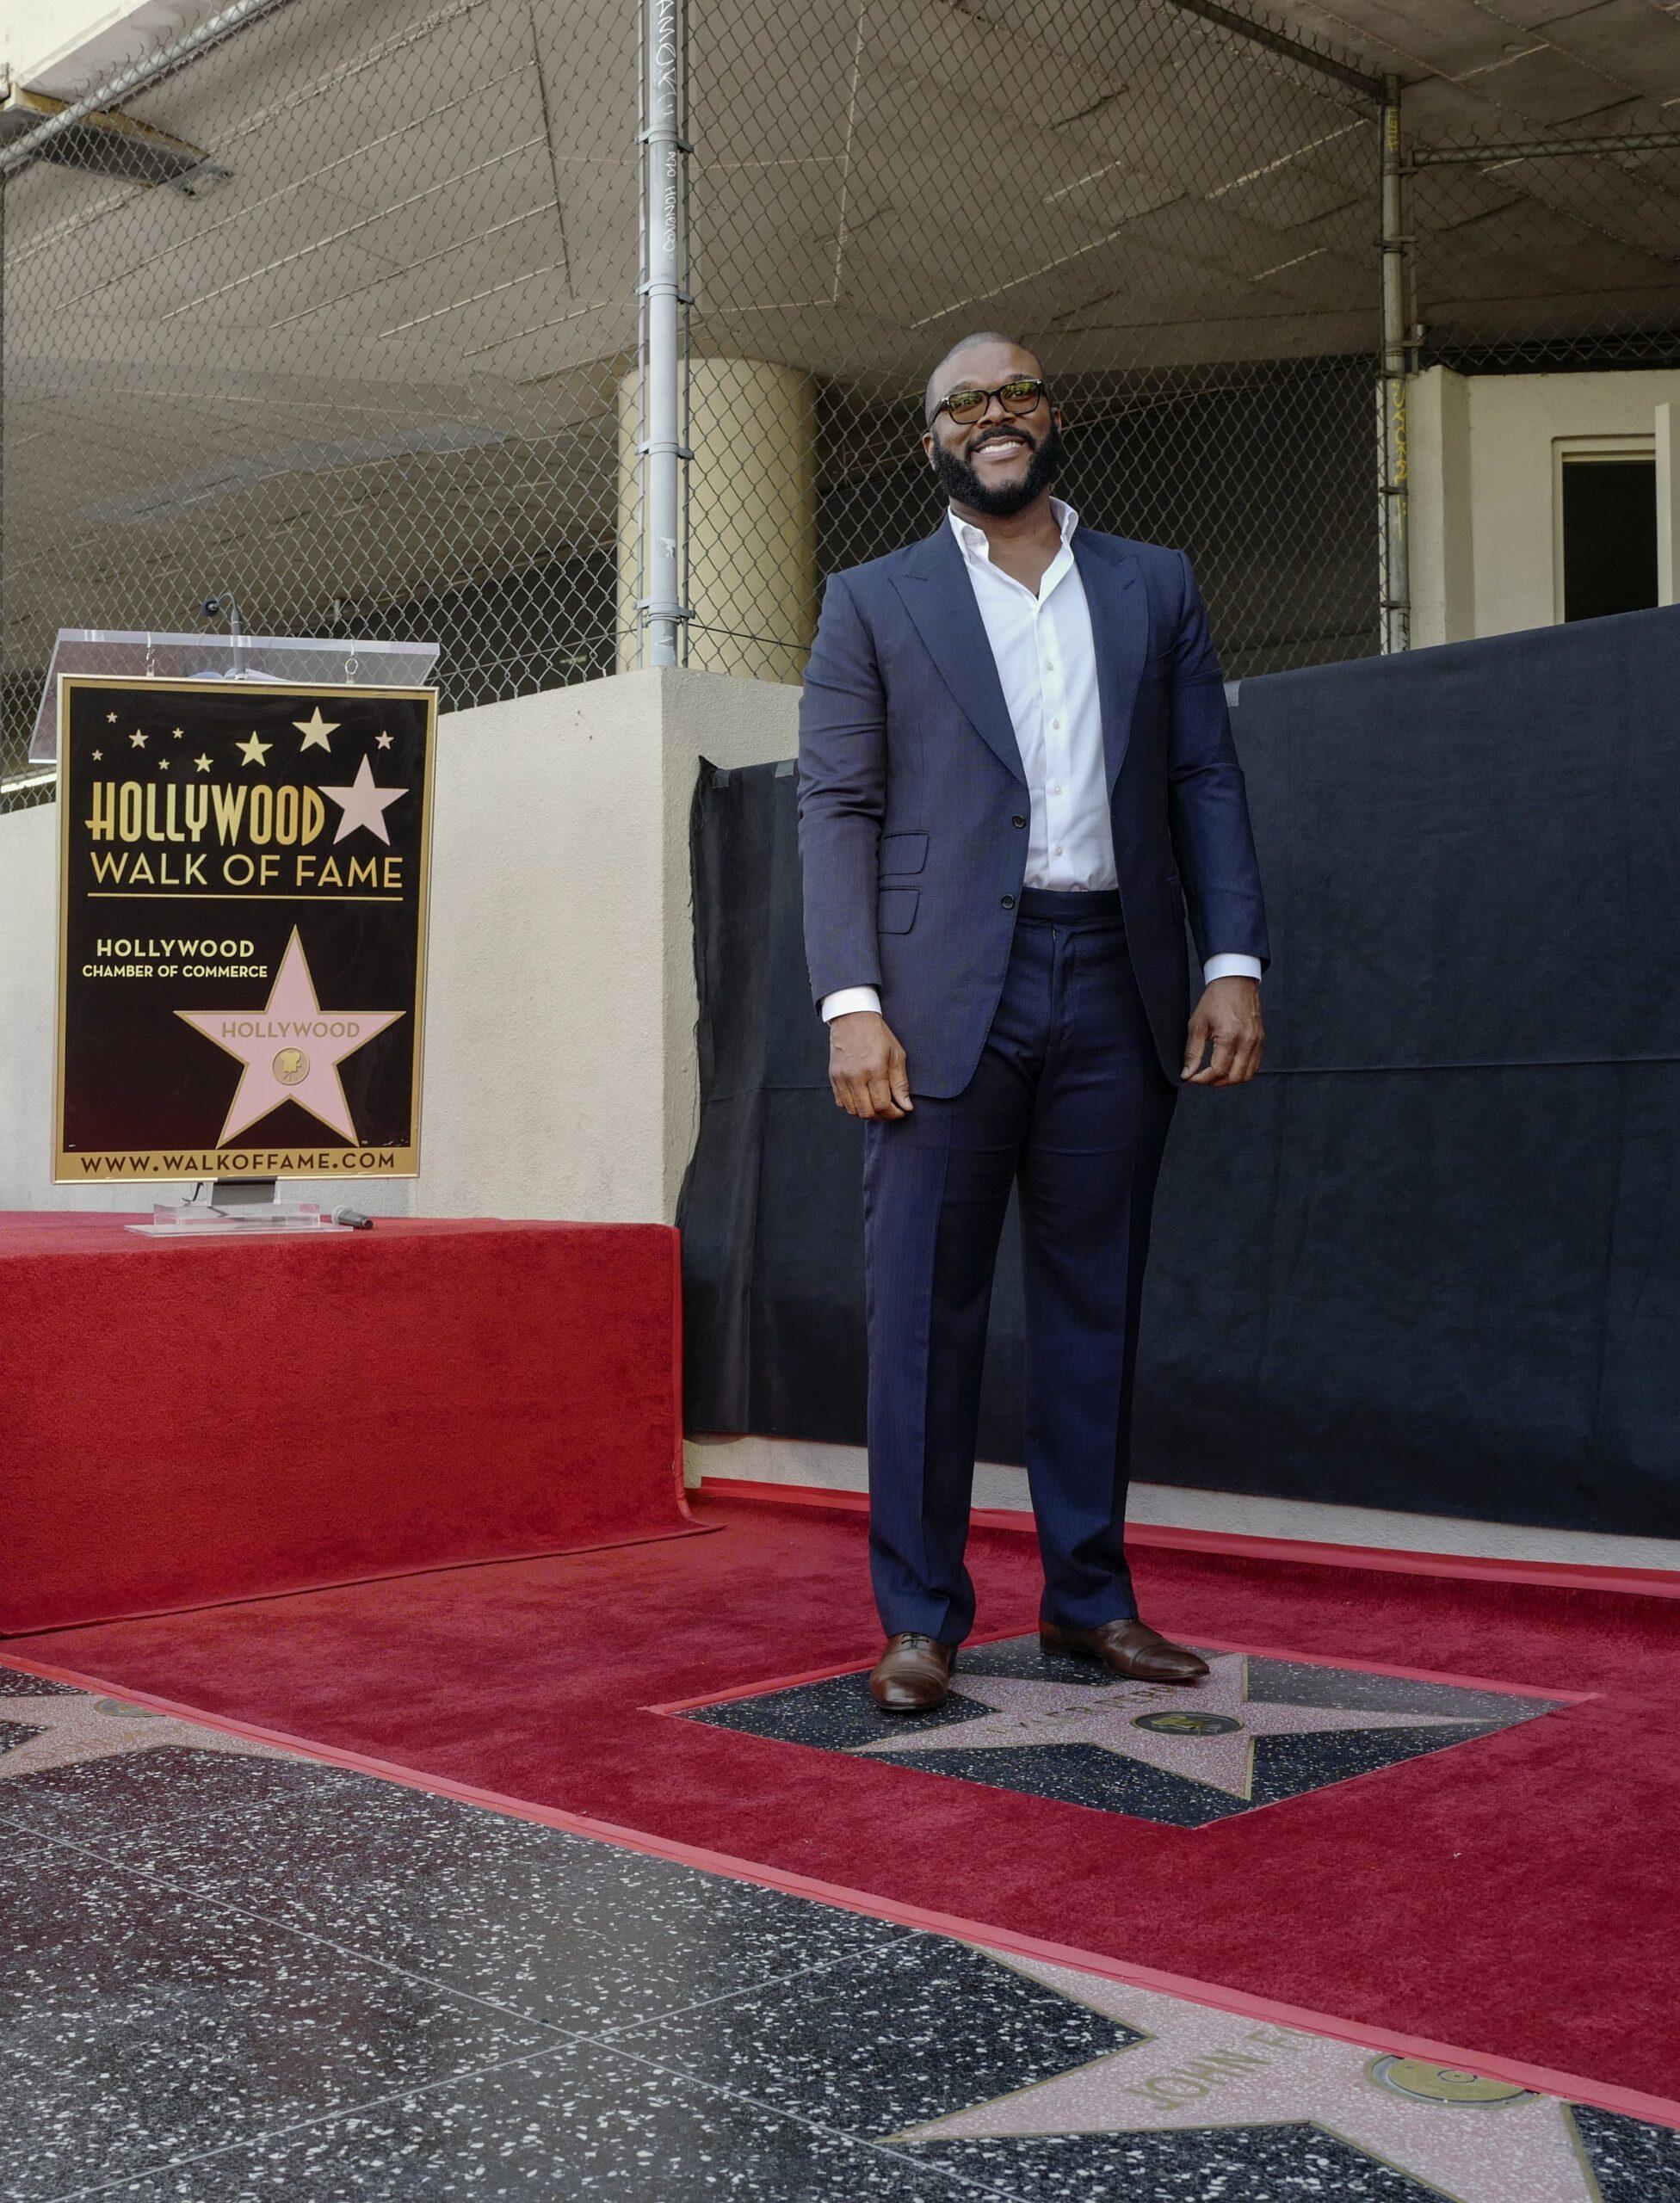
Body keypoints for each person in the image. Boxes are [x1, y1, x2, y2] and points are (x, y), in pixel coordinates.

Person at [797, 333, 1269, 1712]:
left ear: (1052, 417)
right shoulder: (872, 600)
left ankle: (1089, 1603)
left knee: (1092, 1308)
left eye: (1016, 394)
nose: (993, 417)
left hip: (1117, 978)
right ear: (931, 440)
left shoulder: (1152, 583)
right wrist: (851, 1002)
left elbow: (1204, 777)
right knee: (922, 1318)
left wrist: (1232, 959)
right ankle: (920, 1617)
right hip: (938, 998)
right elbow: (837, 805)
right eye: (964, 404)